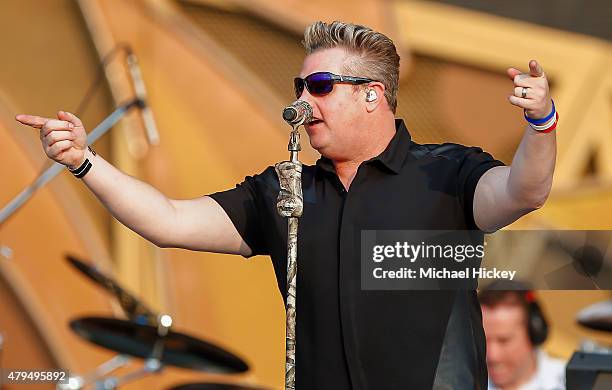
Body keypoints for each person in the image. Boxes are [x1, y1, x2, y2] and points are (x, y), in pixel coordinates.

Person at [16, 21, 557, 390]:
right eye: (299, 85)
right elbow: (167, 220)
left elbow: (522, 191)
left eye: (320, 85)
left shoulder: (446, 172)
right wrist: (85, 162)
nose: (301, 100)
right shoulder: (286, 190)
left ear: (372, 94)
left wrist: (541, 125)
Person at [479, 289, 566, 390]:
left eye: (504, 340)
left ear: (533, 333)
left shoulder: (574, 383)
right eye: (483, 341)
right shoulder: (463, 384)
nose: (492, 356)